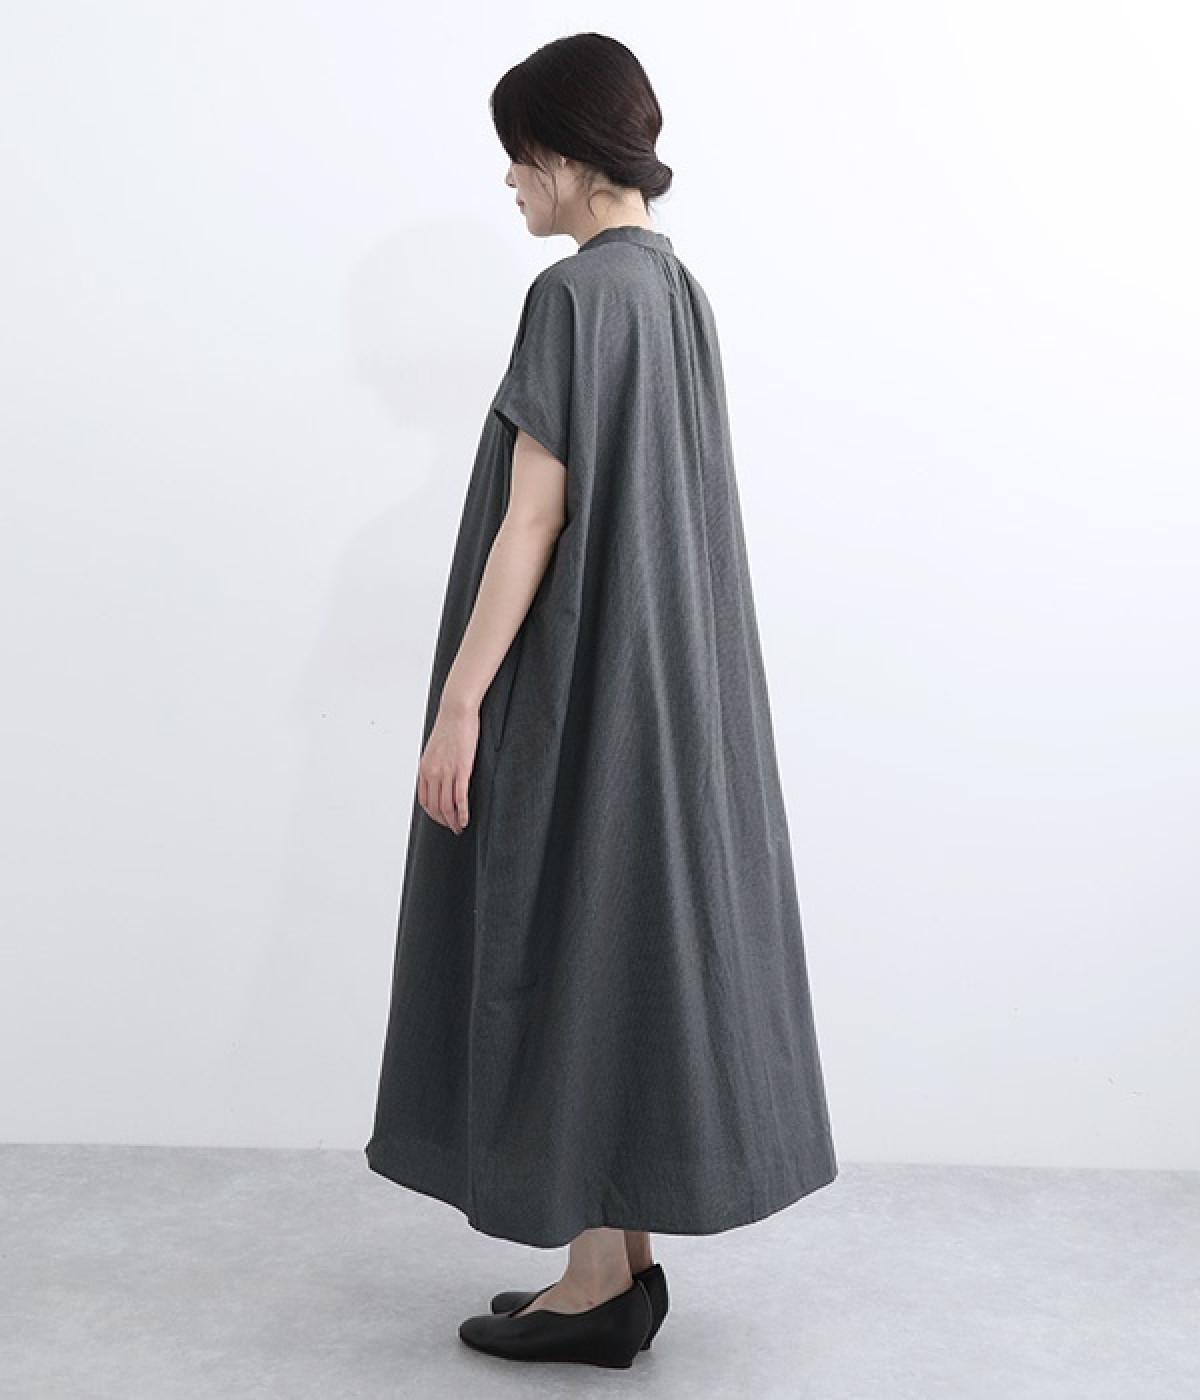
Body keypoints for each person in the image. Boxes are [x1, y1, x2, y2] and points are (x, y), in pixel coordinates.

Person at [364, 32, 838, 1370]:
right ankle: (617, 1267)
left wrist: (460, 705)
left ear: (569, 157)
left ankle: (591, 1283)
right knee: (617, 939)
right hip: (665, 686)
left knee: (556, 938)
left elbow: (535, 521)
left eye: (520, 156)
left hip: (578, 682)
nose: (512, 183)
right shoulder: (678, 293)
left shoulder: (572, 295)